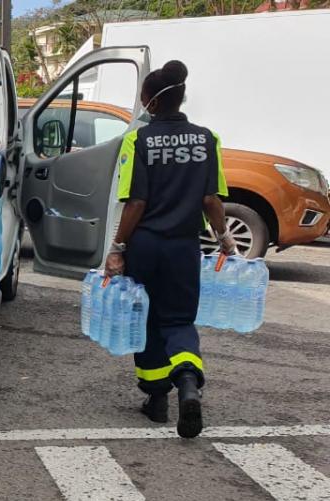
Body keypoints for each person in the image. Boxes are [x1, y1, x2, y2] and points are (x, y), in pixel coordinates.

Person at [105, 60, 236, 439]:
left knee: (145, 319)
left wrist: (117, 248)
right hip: (183, 245)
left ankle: (157, 399)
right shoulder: (206, 138)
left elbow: (135, 204)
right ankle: (189, 383)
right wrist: (224, 234)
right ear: (182, 97)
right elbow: (211, 198)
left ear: (150, 100)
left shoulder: (138, 140)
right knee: (178, 320)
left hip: (145, 245)